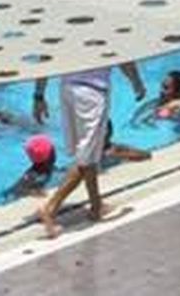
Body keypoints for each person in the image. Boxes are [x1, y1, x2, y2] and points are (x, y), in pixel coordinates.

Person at [33, 63, 146, 238]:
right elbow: (123, 58)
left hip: (67, 88)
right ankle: (50, 208)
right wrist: (137, 83)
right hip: (92, 93)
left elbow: (46, 57)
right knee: (87, 156)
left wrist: (38, 95)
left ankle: (96, 206)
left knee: (87, 154)